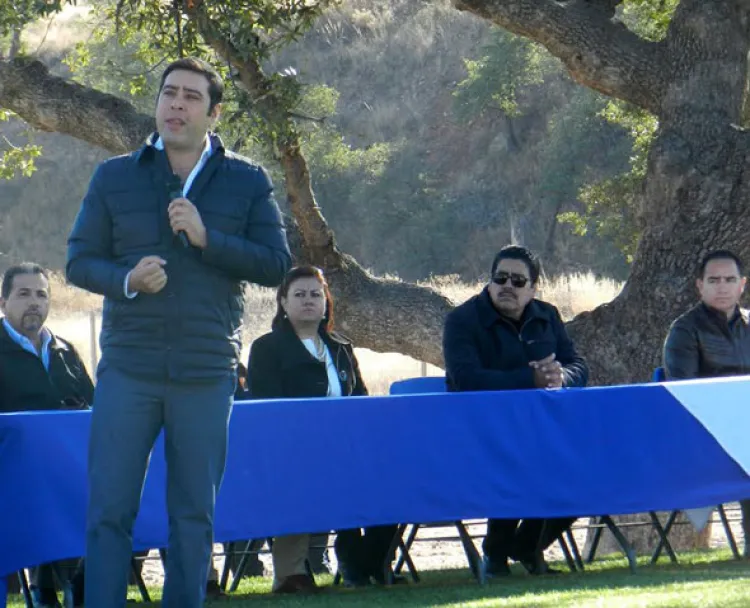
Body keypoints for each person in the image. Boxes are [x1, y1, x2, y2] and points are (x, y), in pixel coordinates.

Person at [66, 56, 291, 607]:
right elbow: (78, 262)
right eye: (169, 93)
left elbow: (276, 265)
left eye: (192, 96)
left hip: (205, 371)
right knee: (108, 512)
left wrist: (207, 237)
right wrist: (126, 281)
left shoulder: (248, 180)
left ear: (213, 113)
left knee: (193, 516)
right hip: (129, 369)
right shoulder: (114, 175)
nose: (176, 104)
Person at [248, 265, 399, 592]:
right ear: (283, 303)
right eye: (299, 295)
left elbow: (360, 397)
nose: (308, 301)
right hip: (291, 451)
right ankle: (291, 574)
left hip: (347, 447)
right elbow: (266, 407)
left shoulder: (340, 346)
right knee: (300, 479)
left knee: (396, 475)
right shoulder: (267, 349)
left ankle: (368, 561)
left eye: (315, 294)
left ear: (326, 302)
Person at [443, 245, 588, 576]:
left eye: (518, 281)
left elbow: (577, 364)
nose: (508, 285)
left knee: (587, 469)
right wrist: (530, 379)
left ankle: (525, 547)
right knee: (519, 461)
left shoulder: (547, 316)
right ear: (490, 281)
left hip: (544, 429)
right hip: (480, 433)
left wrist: (560, 377)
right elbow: (465, 379)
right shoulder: (462, 321)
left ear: (533, 288)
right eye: (500, 278)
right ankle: (496, 554)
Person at [0, 263, 93, 607]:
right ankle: (49, 587)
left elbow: (94, 407)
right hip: (13, 477)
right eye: (23, 294)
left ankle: (74, 584)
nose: (34, 302)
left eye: (41, 294)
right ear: (3, 302)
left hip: (69, 470)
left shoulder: (65, 352)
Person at [663, 249, 750, 556]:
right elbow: (685, 392)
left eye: (729, 279)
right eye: (714, 280)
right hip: (705, 433)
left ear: (742, 284)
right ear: (700, 285)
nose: (722, 286)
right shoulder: (684, 330)